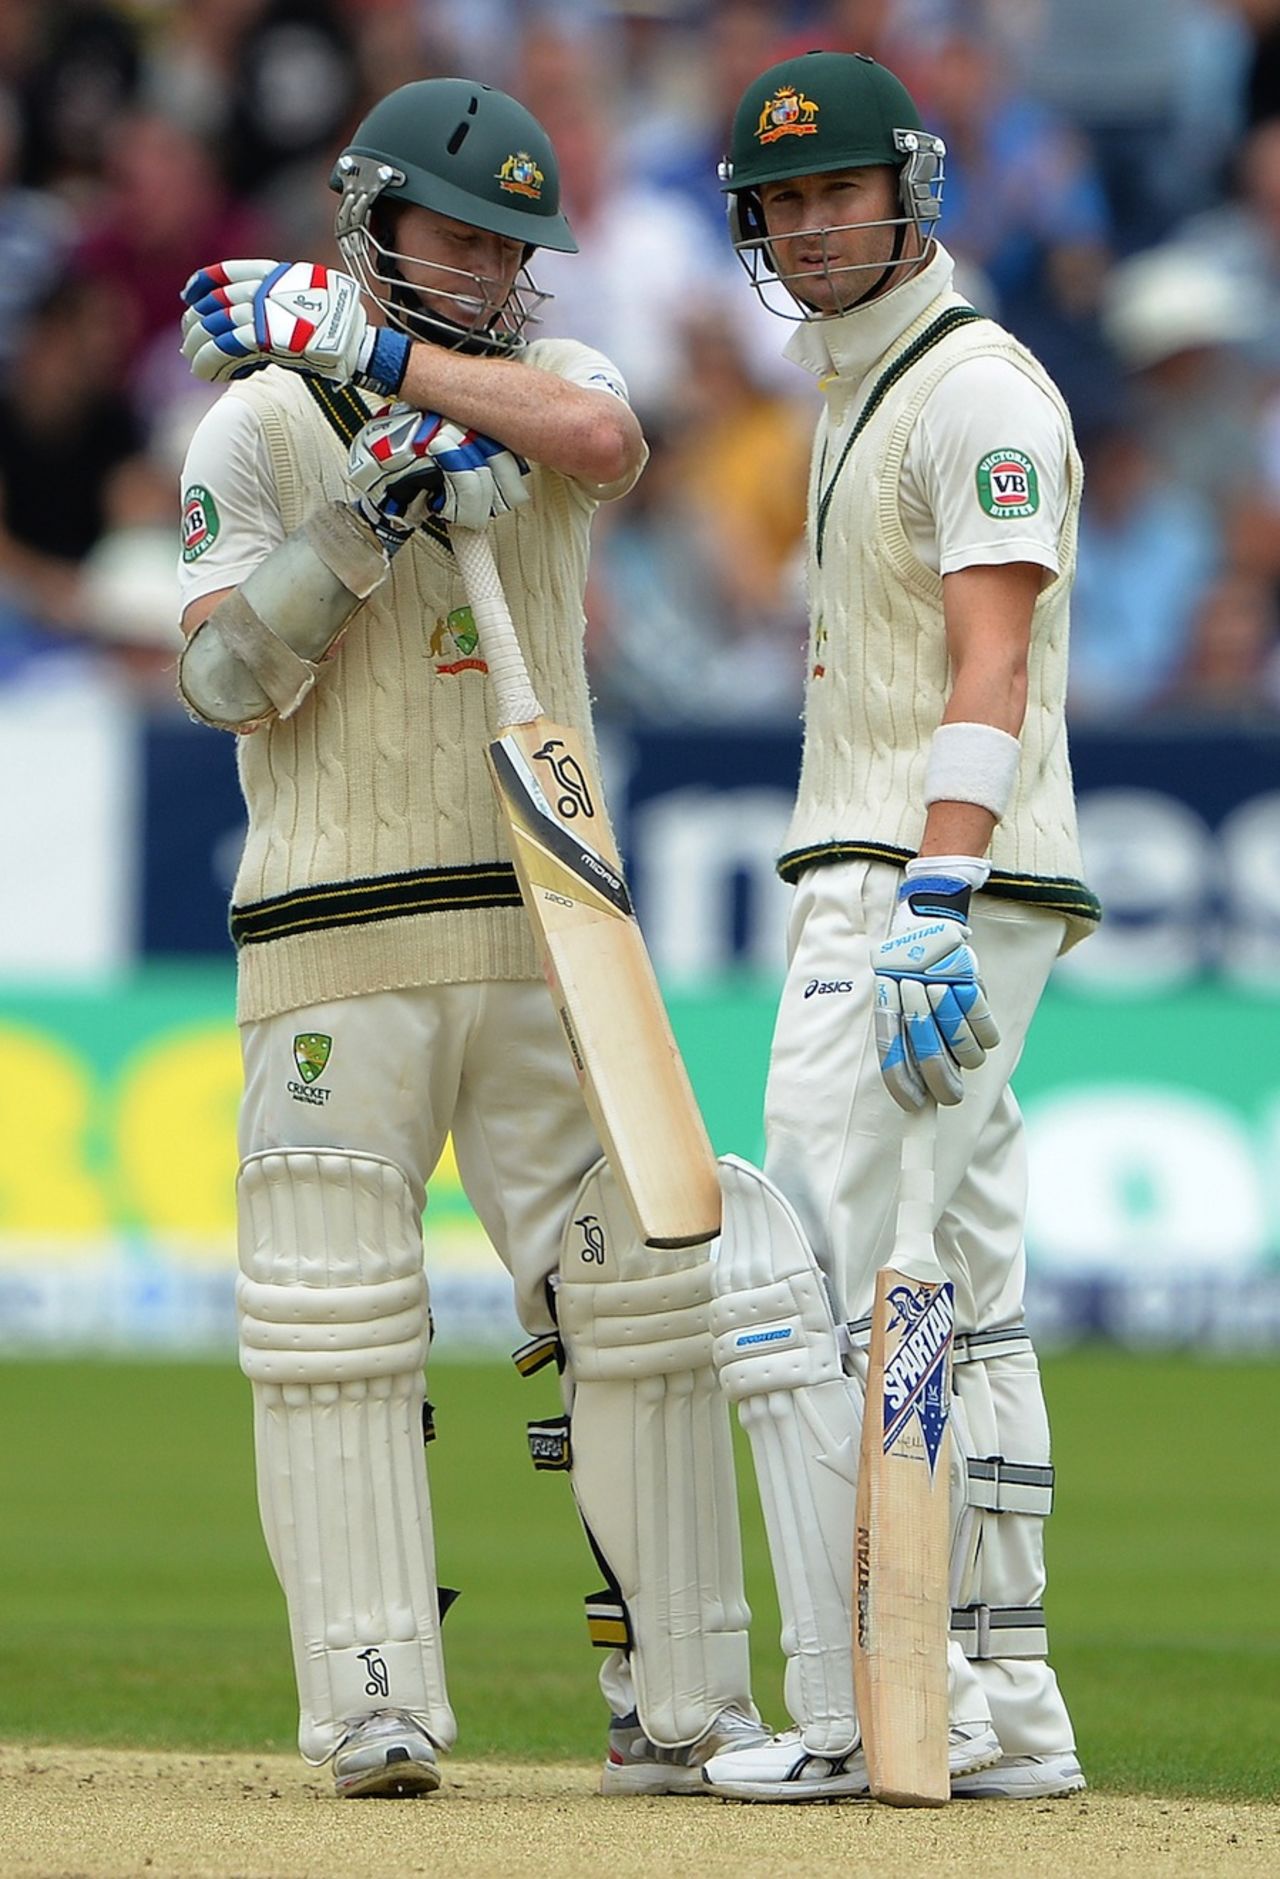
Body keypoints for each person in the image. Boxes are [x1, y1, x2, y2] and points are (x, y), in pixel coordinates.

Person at [173, 77, 765, 1800]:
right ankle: (372, 1699)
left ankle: (682, 1705)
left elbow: (603, 446)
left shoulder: (548, 386)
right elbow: (222, 681)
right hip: (328, 938)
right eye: (461, 235)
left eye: (519, 247)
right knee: (331, 1320)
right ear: (372, 221)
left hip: (542, 923)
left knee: (642, 1300)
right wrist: (358, 516)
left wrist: (378, 358)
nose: (495, 269)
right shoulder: (258, 429)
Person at [703, 51, 1100, 1803]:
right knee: (969, 1289)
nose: (807, 228)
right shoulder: (859, 389)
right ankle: (998, 1704)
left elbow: (990, 664)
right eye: (780, 203)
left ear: (907, 194)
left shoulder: (975, 391)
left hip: (923, 876)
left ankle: (868, 1696)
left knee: (819, 1272)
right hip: (920, 869)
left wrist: (935, 889)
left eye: (834, 193)